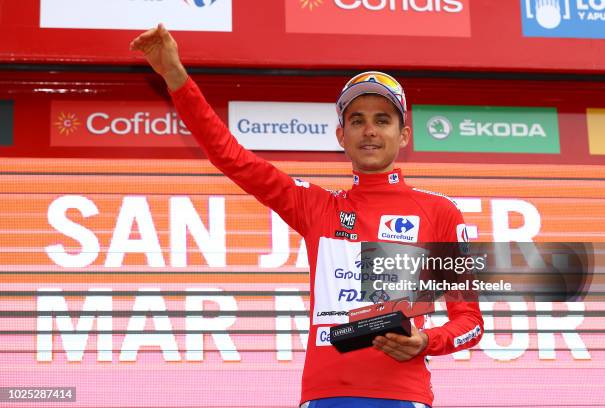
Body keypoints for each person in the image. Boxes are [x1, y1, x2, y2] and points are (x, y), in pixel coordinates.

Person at [131, 24, 484, 408]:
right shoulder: (317, 206)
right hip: (323, 395)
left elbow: (470, 322)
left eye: (382, 120)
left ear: (403, 135)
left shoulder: (438, 211)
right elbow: (230, 157)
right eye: (357, 120)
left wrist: (424, 342)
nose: (369, 130)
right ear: (341, 136)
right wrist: (175, 76)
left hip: (402, 396)